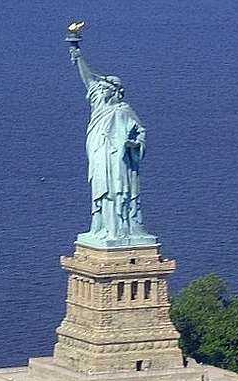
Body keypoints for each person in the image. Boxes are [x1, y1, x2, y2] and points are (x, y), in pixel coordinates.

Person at [69, 45, 152, 245]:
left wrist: (133, 144)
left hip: (119, 158)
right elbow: (88, 79)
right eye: (102, 88)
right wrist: (78, 54)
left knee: (118, 190)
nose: (102, 90)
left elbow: (142, 132)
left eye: (106, 88)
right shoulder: (98, 105)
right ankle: (102, 227)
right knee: (101, 190)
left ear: (116, 91)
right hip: (99, 153)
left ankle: (123, 228)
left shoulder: (124, 110)